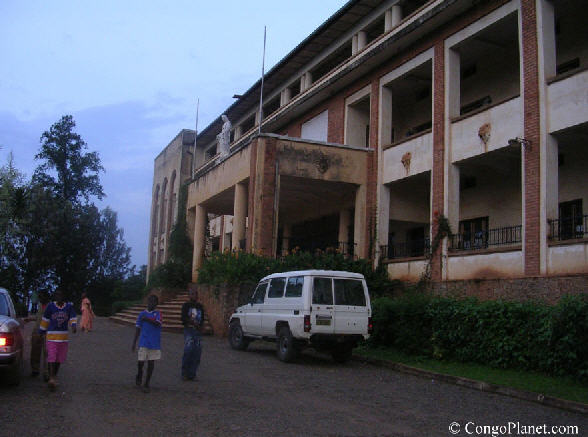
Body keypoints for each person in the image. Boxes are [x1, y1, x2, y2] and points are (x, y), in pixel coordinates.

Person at [39, 289, 77, 391]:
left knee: (59, 359)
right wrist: (41, 331)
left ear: (64, 296)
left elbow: (73, 317)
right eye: (57, 295)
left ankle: (54, 375)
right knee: (51, 357)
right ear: (55, 296)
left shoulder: (68, 307)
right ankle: (51, 377)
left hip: (63, 338)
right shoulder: (51, 307)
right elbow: (45, 319)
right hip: (51, 337)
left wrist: (73, 325)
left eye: (61, 295)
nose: (59, 297)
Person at [132, 294, 162, 393]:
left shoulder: (158, 314)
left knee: (151, 362)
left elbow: (158, 323)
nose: (151, 304)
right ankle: (139, 373)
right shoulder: (142, 314)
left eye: (154, 302)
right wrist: (134, 342)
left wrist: (147, 319)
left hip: (154, 342)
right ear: (147, 302)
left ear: (156, 304)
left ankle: (147, 383)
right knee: (140, 362)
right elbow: (138, 328)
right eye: (150, 301)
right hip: (144, 341)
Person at [180, 288, 204, 381]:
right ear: (189, 295)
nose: (194, 296)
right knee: (188, 350)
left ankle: (192, 373)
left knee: (197, 352)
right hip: (189, 330)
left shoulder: (200, 307)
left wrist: (200, 327)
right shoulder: (186, 306)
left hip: (197, 331)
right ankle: (184, 373)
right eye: (192, 294)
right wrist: (192, 322)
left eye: (195, 294)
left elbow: (201, 319)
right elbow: (183, 318)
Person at [30, 291, 50, 379]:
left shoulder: (51, 307)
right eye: (39, 297)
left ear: (46, 297)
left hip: (47, 332)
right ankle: (35, 370)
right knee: (35, 351)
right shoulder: (40, 306)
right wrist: (29, 319)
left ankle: (47, 373)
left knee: (47, 353)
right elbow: (38, 317)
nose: (40, 298)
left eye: (41, 297)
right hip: (37, 330)